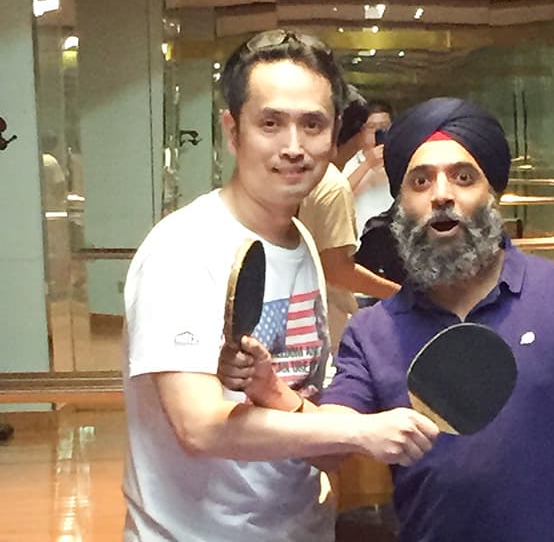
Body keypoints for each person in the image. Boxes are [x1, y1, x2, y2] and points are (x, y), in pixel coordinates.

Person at [221, 97, 554, 542]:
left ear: (492, 194)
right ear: (400, 204)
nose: (441, 195)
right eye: (420, 181)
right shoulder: (374, 331)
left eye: (463, 177)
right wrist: (268, 387)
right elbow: (331, 445)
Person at [121, 30, 438, 542]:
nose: (293, 147)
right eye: (271, 123)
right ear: (233, 131)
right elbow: (199, 425)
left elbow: (296, 398)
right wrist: (359, 430)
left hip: (299, 528)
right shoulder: (182, 249)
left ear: (334, 134)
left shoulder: (301, 241)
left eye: (312, 124)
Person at [298, 86, 400, 351]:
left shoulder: (302, 173)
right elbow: (338, 270)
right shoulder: (332, 184)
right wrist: (400, 294)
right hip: (323, 314)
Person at [341, 99, 395, 238]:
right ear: (361, 131)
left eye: (384, 126)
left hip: (393, 237)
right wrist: (367, 164)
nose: (378, 132)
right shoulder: (349, 161)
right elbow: (338, 196)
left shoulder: (401, 159)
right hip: (359, 238)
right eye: (371, 127)